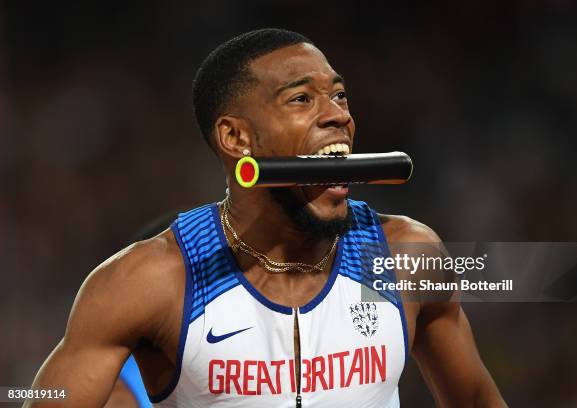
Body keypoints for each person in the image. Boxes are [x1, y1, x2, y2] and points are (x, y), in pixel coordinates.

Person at [26, 28, 506, 407]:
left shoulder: (407, 255)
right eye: (301, 99)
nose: (338, 115)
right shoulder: (147, 282)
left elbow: (477, 400)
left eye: (339, 96)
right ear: (236, 140)